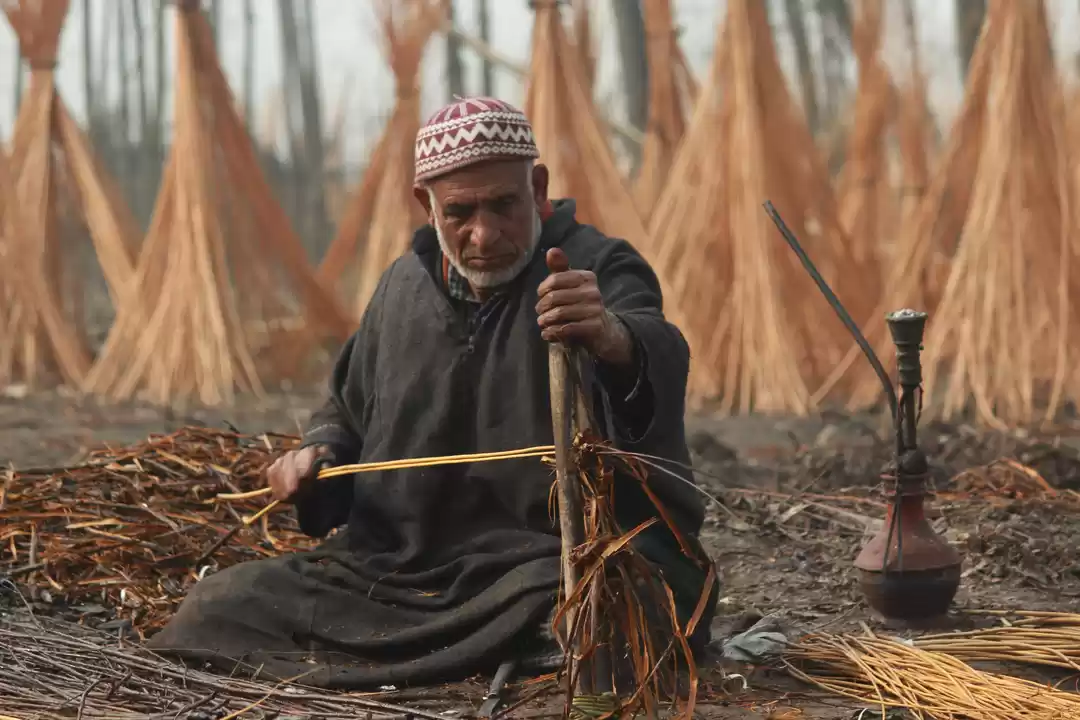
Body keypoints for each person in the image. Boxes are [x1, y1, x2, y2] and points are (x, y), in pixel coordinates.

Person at [148, 96, 717, 689]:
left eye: (504, 204)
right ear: (427, 207)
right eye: (460, 212)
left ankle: (487, 652)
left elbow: (653, 346)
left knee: (611, 608)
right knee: (218, 605)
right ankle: (489, 657)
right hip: (400, 571)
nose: (485, 233)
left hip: (545, 564)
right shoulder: (401, 288)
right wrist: (317, 458)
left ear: (538, 187)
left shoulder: (593, 267)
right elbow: (346, 411)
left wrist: (608, 335)